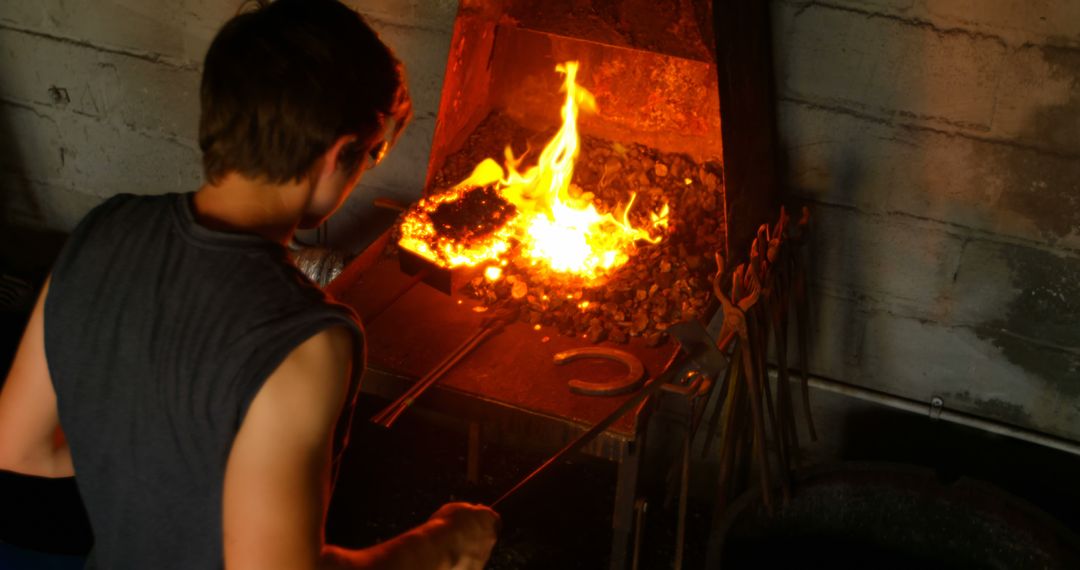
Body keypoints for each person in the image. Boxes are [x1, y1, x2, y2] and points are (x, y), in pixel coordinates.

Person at [0, 0, 500, 568]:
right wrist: (442, 542)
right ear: (339, 152)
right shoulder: (305, 339)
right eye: (373, 153)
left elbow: (19, 447)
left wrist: (147, 459)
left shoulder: (103, 227)